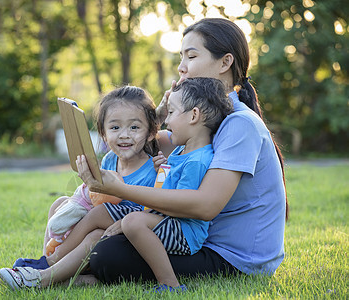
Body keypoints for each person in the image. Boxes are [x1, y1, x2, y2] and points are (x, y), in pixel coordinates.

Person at [77, 17, 288, 284]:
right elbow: (145, 142)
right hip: (194, 238)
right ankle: (67, 268)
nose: (181, 68)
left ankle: (90, 275)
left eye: (191, 56)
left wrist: (120, 189)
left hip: (234, 257)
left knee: (107, 253)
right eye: (181, 57)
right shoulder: (204, 122)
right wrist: (162, 114)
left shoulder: (239, 124)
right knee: (105, 234)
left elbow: (205, 206)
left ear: (225, 62)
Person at [0, 85, 160, 290]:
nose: (124, 135)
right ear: (103, 133)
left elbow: (151, 213)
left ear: (151, 132)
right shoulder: (110, 160)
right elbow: (97, 199)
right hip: (97, 227)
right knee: (60, 203)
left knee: (95, 234)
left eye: (134, 127)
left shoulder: (152, 170)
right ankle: (49, 260)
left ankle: (47, 271)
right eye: (115, 128)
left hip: (121, 239)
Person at [120, 77, 233, 292]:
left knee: (133, 222)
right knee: (113, 216)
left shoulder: (197, 161)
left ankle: (170, 284)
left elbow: (180, 208)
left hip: (185, 233)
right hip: (170, 221)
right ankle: (55, 259)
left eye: (171, 113)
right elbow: (169, 191)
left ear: (193, 116)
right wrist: (161, 173)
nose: (166, 122)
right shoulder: (182, 151)